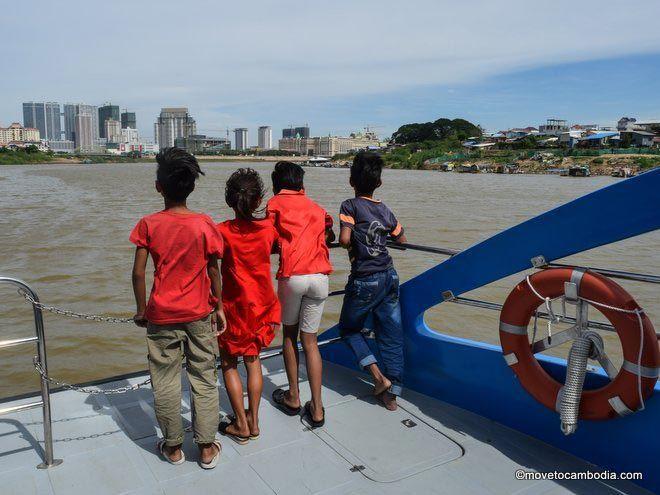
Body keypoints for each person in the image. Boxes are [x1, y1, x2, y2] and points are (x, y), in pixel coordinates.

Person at [130, 147, 224, 469]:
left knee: (166, 380)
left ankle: (173, 447)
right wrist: (220, 306)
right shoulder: (204, 224)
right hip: (199, 314)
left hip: (162, 315)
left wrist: (142, 310)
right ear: (192, 186)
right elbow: (214, 271)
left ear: (159, 187)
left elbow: (139, 272)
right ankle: (207, 446)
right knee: (204, 378)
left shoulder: (148, 224)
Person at [266, 161, 335, 427]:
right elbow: (328, 235)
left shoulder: (274, 205)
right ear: (301, 184)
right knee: (311, 342)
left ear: (276, 184)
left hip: (293, 276)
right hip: (320, 277)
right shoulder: (317, 208)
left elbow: (267, 237)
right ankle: (317, 409)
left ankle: (293, 396)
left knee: (289, 337)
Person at [338, 151, 407, 411]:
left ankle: (378, 378)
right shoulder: (384, 209)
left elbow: (344, 239)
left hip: (365, 278)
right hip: (389, 275)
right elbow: (400, 239)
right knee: (392, 336)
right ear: (378, 183)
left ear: (351, 181)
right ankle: (393, 396)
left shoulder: (350, 205)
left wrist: (352, 239)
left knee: (348, 329)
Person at [216, 168, 280, 444]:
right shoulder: (268, 229)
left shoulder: (221, 232)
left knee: (229, 363)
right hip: (263, 305)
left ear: (230, 201)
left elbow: (211, 266)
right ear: (257, 201)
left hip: (233, 307)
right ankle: (253, 421)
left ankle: (240, 423)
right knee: (253, 362)